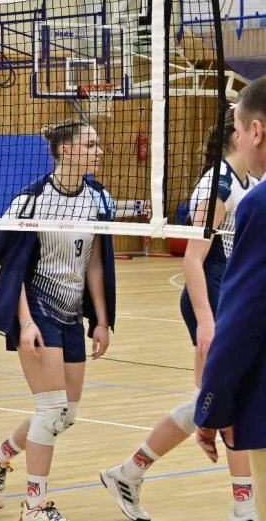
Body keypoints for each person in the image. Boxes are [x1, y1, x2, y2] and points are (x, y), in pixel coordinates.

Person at [0, 120, 117, 521]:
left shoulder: (99, 199)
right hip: (38, 307)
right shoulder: (31, 202)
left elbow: (96, 262)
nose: (99, 151)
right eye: (90, 144)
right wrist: (25, 322)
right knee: (51, 409)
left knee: (66, 414)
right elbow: (13, 269)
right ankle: (34, 505)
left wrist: (101, 320)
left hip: (72, 311)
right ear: (66, 150)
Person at [101, 107, 257, 520]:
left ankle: (128, 472)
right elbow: (192, 259)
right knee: (230, 401)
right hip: (212, 297)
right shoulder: (219, 185)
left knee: (210, 400)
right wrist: (206, 320)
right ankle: (244, 508)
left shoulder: (250, 180)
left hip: (232, 297)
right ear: (240, 134)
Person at [195, 78, 266, 521]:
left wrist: (212, 407)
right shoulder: (223, 186)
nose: (235, 139)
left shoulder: (258, 202)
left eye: (237, 130)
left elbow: (244, 323)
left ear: (255, 132)